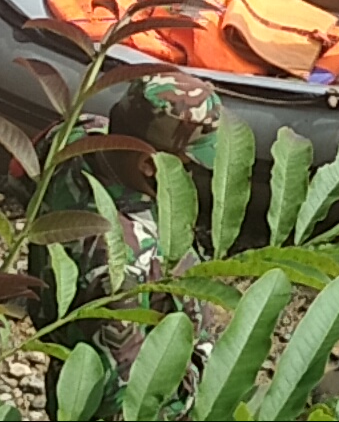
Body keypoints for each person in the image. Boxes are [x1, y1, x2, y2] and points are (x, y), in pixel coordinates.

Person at [31, 73, 223, 420]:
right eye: (189, 168)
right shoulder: (122, 266)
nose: (194, 177)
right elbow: (126, 398)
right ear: (148, 164)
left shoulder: (76, 140)